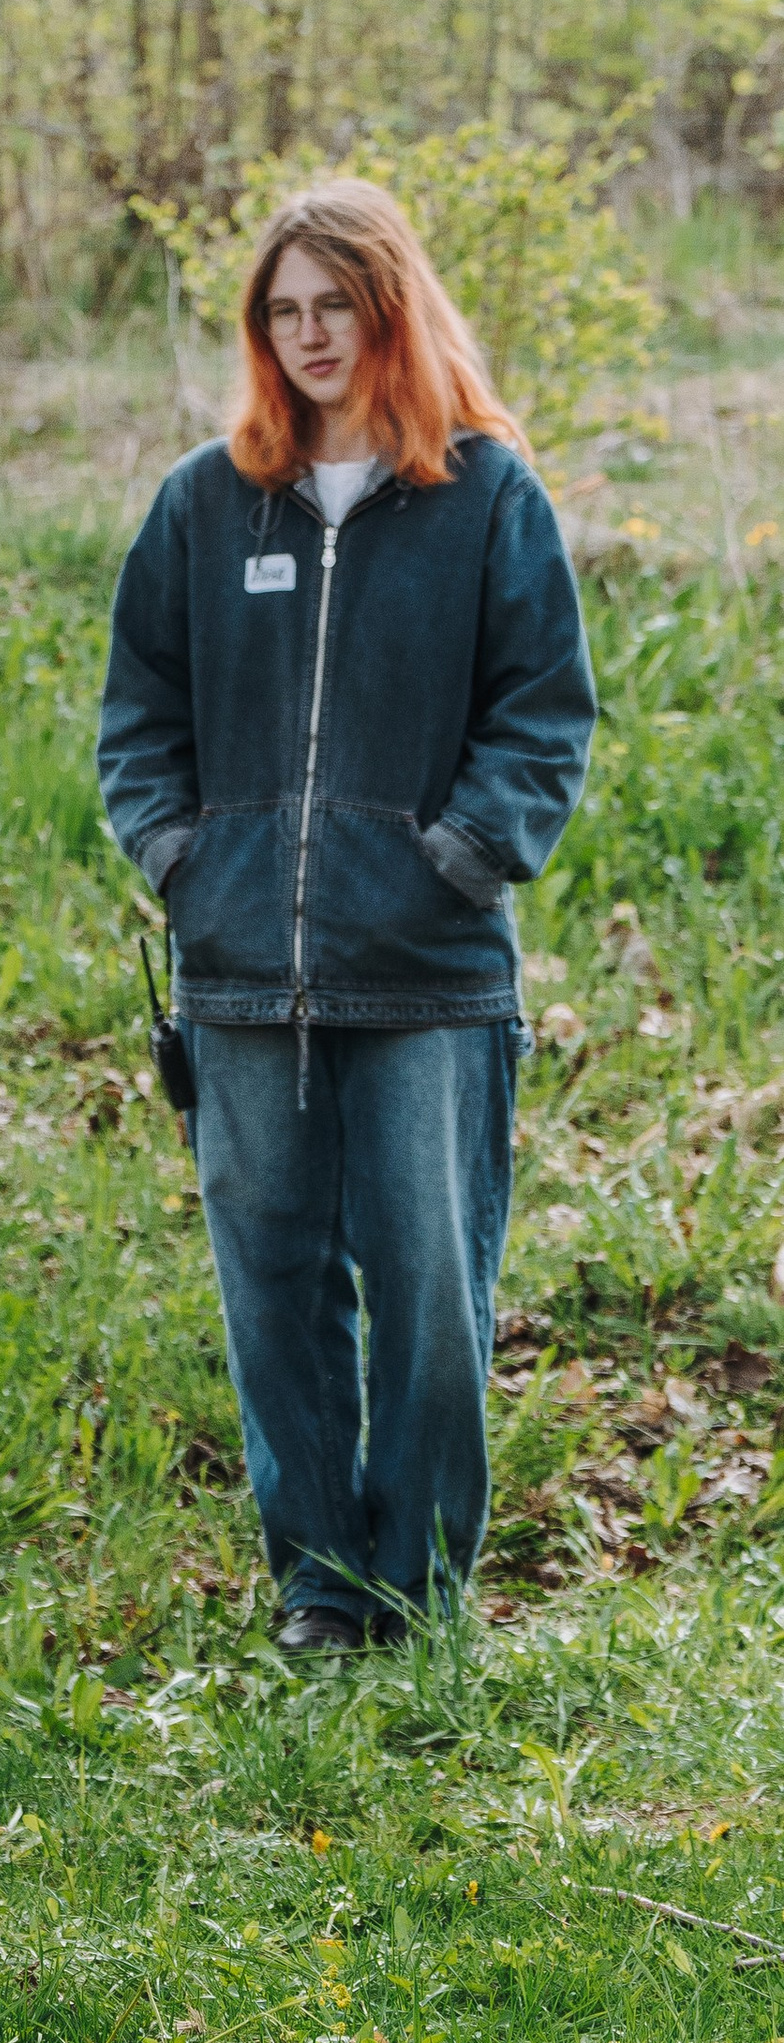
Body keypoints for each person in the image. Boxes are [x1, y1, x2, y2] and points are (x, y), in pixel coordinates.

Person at [97, 176, 596, 1654]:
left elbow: (544, 713)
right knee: (273, 1290)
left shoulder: (486, 497)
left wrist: (459, 857)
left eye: (337, 306)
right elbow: (140, 713)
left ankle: (419, 1591)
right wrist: (182, 857)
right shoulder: (206, 501)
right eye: (283, 312)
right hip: (241, 972)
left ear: (392, 312)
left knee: (433, 1294)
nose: (310, 335)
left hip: (431, 971)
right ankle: (322, 1584)